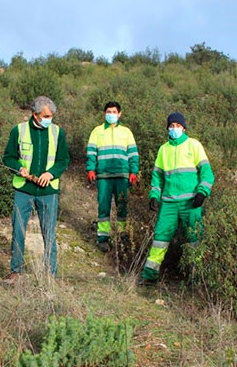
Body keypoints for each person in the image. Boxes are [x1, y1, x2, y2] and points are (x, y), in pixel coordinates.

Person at [2, 96, 70, 281]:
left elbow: (64, 160)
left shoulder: (58, 132)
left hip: (48, 193)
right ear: (35, 114)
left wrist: (50, 174)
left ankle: (50, 274)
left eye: (52, 116)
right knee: (18, 230)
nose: (50, 119)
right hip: (23, 190)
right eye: (46, 115)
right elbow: (7, 157)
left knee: (49, 233)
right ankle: (16, 271)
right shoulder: (19, 130)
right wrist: (19, 168)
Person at [141, 112, 214, 284]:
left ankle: (196, 278)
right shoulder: (163, 149)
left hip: (191, 203)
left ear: (184, 128)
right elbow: (157, 177)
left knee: (194, 238)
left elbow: (207, 173)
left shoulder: (193, 145)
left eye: (178, 126)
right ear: (167, 128)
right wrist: (154, 195)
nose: (174, 129)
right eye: (171, 126)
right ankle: (149, 277)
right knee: (160, 238)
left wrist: (202, 192)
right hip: (168, 203)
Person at [85, 101, 140, 252]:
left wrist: (133, 172)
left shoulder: (126, 132)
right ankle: (103, 239)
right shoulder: (97, 131)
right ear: (104, 113)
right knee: (103, 207)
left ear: (119, 114)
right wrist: (90, 169)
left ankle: (123, 237)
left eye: (114, 112)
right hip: (103, 176)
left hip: (122, 175)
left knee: (122, 207)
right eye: (108, 112)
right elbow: (91, 152)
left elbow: (133, 154)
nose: (111, 114)